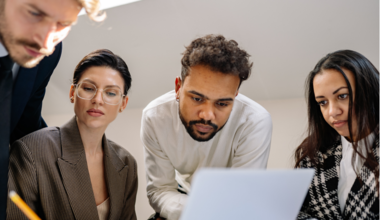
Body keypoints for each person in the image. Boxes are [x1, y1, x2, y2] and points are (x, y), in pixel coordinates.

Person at [141, 34, 273, 220]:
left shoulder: (255, 121)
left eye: (222, 104)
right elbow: (160, 190)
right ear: (178, 88)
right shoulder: (155, 117)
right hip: (180, 200)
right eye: (197, 99)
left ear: (235, 95)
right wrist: (194, 212)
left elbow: (242, 198)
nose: (207, 115)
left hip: (230, 206)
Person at [0, 0, 105, 218]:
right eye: (34, 13)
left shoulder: (48, 54)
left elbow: (25, 123)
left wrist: (66, 159)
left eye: (63, 24)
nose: (46, 42)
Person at [7, 49, 138, 220]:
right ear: (72, 93)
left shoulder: (127, 163)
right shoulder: (30, 151)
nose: (98, 99)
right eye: (89, 88)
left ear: (123, 103)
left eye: (111, 93)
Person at [295, 50, 379, 219]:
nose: (332, 112)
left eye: (343, 96)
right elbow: (295, 212)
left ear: (369, 92)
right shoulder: (313, 154)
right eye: (323, 102)